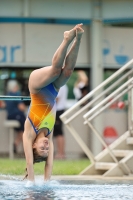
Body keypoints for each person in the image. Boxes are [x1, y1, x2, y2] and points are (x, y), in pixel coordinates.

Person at [23, 24, 84, 186]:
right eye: (47, 150)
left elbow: (29, 162)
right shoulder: (49, 134)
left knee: (56, 71)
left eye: (42, 148)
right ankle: (78, 39)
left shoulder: (29, 132)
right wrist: (46, 182)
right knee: (68, 72)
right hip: (53, 89)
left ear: (34, 145)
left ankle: (66, 39)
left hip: (36, 86)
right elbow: (49, 164)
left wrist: (32, 184)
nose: (46, 147)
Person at [2, 80, 26, 154]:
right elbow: (22, 107)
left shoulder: (7, 95)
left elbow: (3, 105)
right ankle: (23, 147)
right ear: (14, 87)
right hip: (17, 116)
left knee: (22, 131)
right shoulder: (16, 95)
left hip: (9, 117)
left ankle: (16, 143)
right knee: (26, 129)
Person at [53, 84, 68, 159]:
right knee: (58, 133)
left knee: (59, 133)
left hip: (58, 110)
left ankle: (60, 153)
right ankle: (61, 153)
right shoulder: (63, 86)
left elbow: (56, 99)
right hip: (59, 110)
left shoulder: (60, 86)